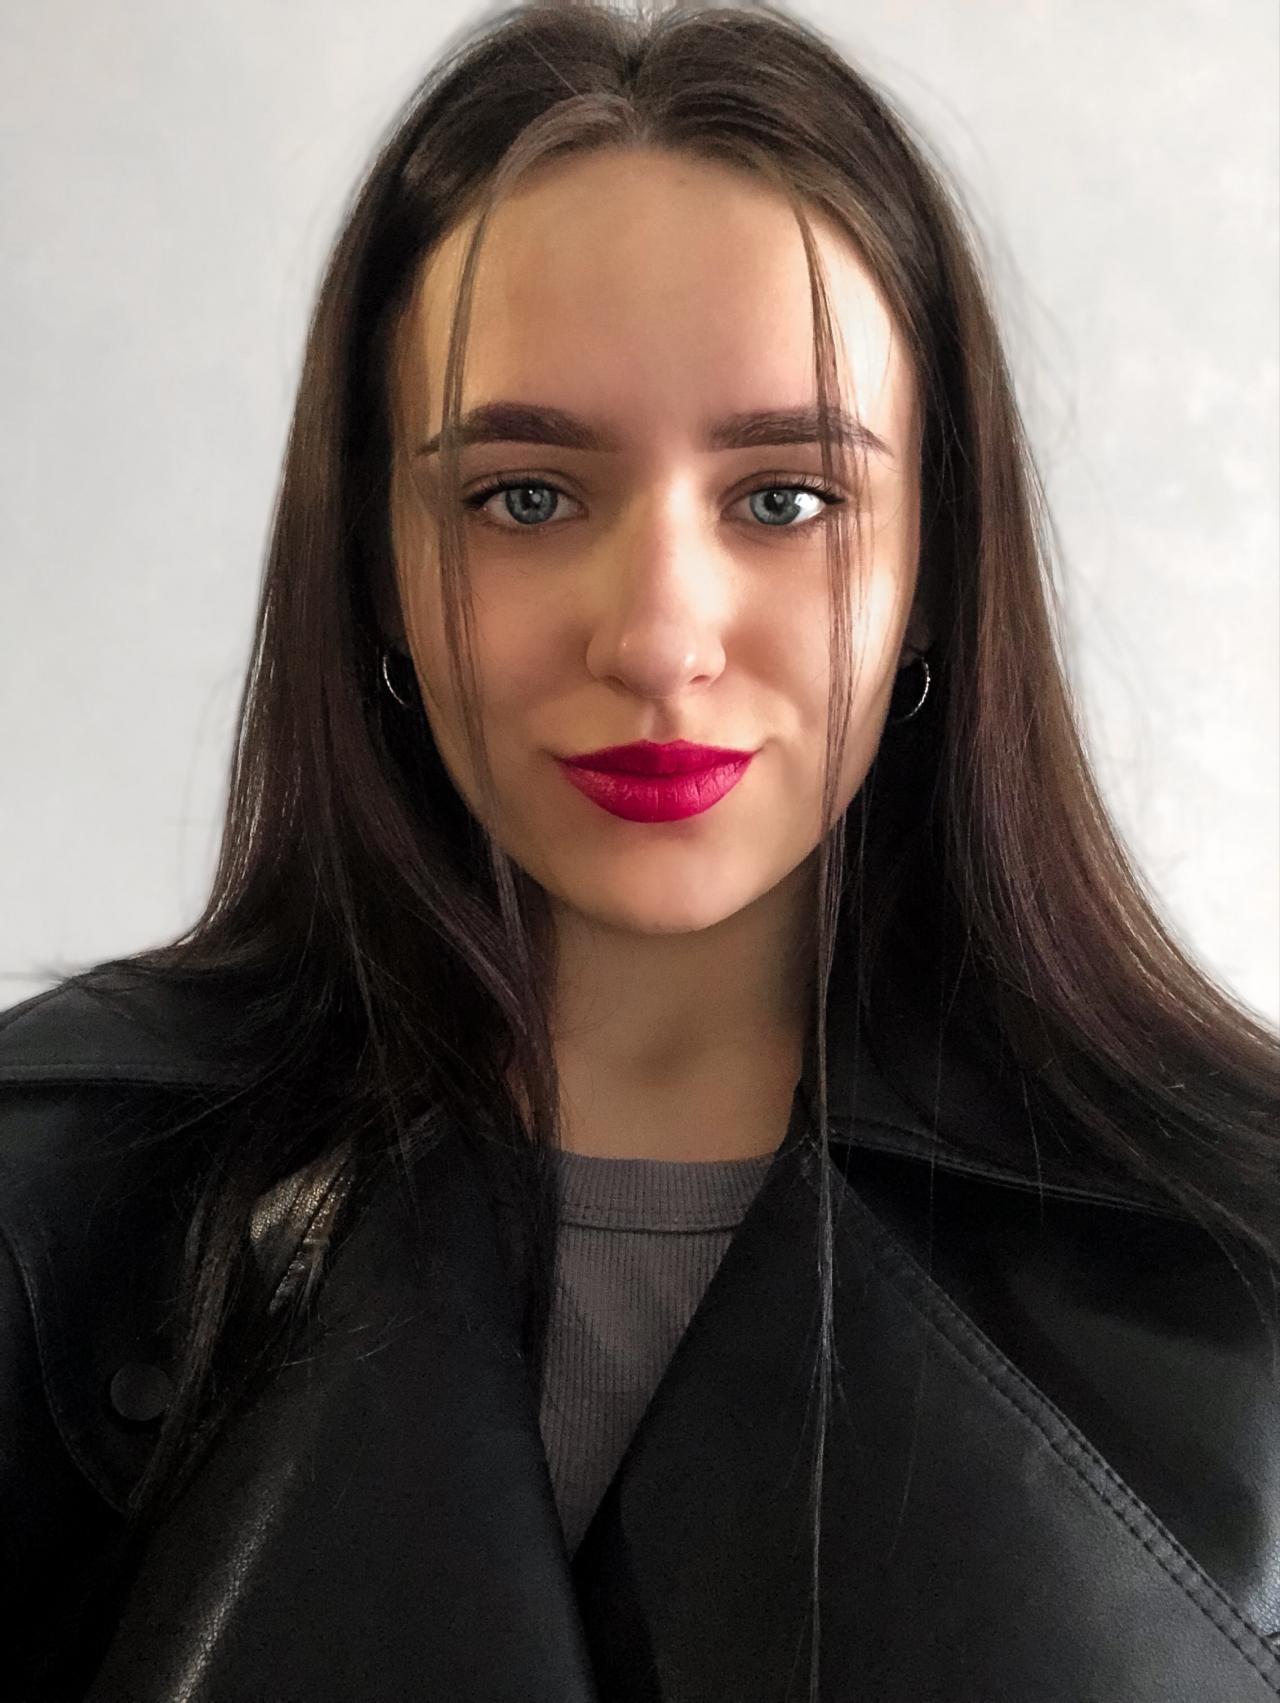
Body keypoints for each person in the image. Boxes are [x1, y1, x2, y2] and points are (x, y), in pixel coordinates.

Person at [2, 3, 1277, 1699]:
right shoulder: (49, 1212)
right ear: (373, 560)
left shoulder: (1239, 1263)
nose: (662, 640)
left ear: (937, 568)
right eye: (525, 497)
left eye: (788, 499)